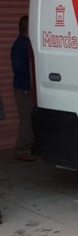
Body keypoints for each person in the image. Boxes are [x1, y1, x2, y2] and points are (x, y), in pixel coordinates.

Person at [11, 15, 35, 161]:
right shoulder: (22, 44)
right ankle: (22, 148)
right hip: (23, 87)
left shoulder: (24, 43)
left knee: (29, 117)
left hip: (25, 86)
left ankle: (28, 146)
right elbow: (20, 67)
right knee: (26, 118)